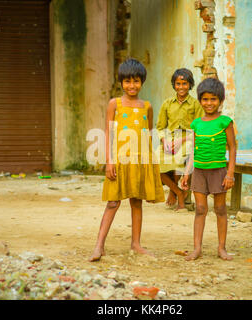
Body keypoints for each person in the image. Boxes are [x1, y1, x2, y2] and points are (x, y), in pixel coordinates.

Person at [89, 58, 164, 262]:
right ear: (121, 82)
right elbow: (109, 133)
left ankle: (136, 244)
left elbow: (147, 134)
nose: (132, 86)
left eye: (136, 81)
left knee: (136, 201)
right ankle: (99, 245)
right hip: (119, 161)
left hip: (139, 160)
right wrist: (109, 161)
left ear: (142, 82)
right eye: (128, 81)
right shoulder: (114, 104)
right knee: (113, 202)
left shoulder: (147, 106)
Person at [181, 77, 236, 261]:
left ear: (220, 101)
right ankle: (197, 248)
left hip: (219, 171)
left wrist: (230, 174)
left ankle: (221, 248)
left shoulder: (225, 122)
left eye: (213, 99)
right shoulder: (196, 124)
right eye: (205, 99)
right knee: (200, 209)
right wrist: (187, 172)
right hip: (199, 172)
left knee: (220, 209)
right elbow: (193, 150)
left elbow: (232, 147)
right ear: (200, 101)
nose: (209, 103)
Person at [156, 68, 204, 211]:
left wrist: (181, 141)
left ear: (190, 85)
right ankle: (178, 191)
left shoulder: (195, 104)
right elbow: (160, 127)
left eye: (184, 83)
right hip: (169, 141)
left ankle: (175, 194)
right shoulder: (167, 104)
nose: (181, 87)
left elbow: (199, 130)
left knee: (178, 160)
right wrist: (165, 141)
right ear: (174, 85)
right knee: (155, 164)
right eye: (178, 84)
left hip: (188, 140)